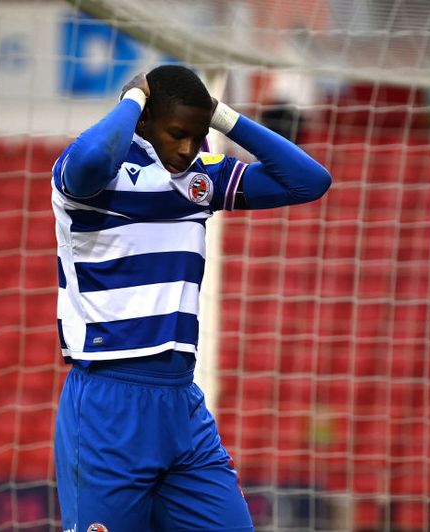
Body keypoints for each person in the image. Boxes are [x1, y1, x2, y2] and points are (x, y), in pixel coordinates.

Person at [51, 64, 331, 531]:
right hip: (108, 407)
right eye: (177, 132)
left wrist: (219, 117)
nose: (187, 147)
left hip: (181, 406)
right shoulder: (87, 181)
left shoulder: (203, 180)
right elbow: (96, 154)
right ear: (143, 122)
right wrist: (133, 100)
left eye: (195, 135)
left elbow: (309, 181)